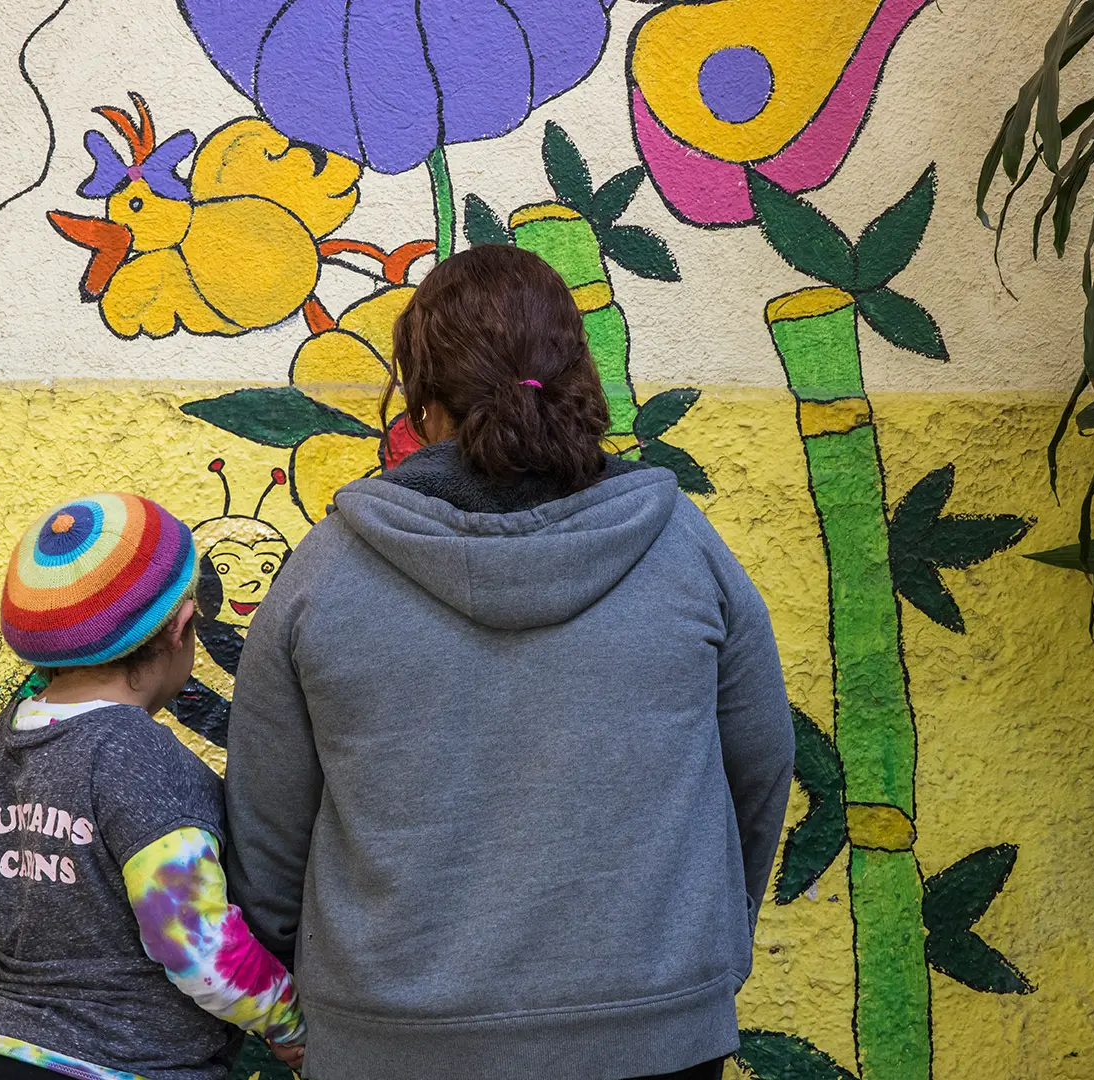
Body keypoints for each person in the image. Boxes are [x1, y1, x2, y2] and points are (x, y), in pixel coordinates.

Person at [225, 245, 795, 1080]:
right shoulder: (684, 550)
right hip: (655, 1031)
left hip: (393, 1044)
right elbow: (762, 766)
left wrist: (301, 989)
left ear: (421, 400)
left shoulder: (326, 573)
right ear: (578, 374)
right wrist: (699, 952)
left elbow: (267, 829)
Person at [0, 493, 306, 1080]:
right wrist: (287, 1020)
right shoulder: (140, 756)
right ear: (181, 628)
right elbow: (193, 943)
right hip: (120, 1066)